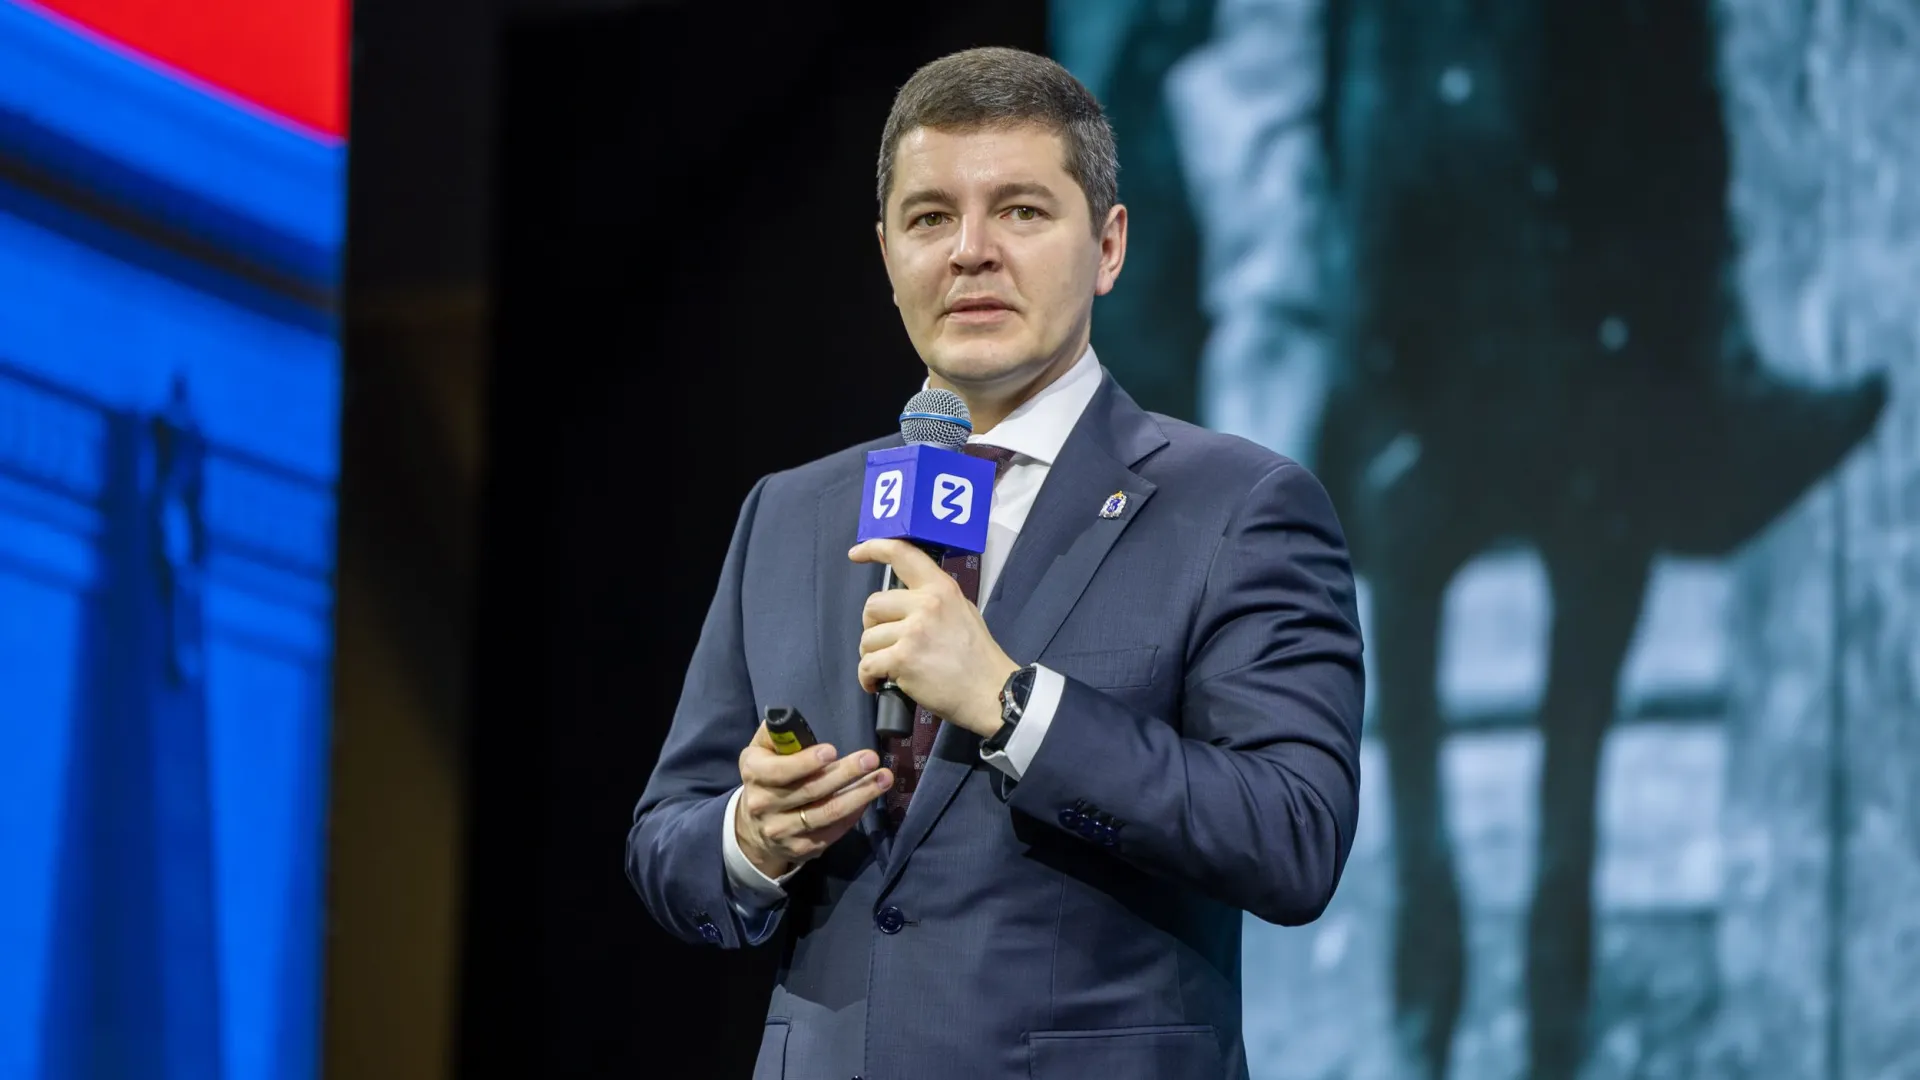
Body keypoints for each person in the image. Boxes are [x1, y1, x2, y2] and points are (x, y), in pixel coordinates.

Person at [625, 46, 1364, 1080]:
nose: (971, 251)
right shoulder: (791, 514)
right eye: (931, 218)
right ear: (887, 254)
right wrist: (752, 836)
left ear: (1108, 246)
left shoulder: (1239, 506)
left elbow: (1292, 836)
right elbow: (666, 841)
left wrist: (1013, 705)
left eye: (1020, 210)